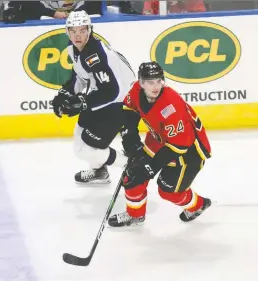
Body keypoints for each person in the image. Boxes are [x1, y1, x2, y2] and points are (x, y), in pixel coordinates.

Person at [108, 61, 212, 227]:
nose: (156, 86)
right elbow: (128, 108)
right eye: (150, 82)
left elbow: (179, 145)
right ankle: (135, 215)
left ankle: (199, 205)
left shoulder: (171, 105)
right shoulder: (136, 90)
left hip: (188, 152)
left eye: (159, 81)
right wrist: (129, 135)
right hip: (159, 139)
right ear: (141, 83)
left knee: (168, 192)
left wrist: (150, 168)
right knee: (133, 174)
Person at [52, 10, 136, 184]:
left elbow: (111, 90)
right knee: (80, 134)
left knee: (87, 148)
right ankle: (99, 171)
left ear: (89, 30)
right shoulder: (73, 48)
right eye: (73, 31)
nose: (78, 35)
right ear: (67, 31)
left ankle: (131, 166)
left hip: (121, 102)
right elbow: (79, 76)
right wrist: (65, 93)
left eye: (82, 30)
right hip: (103, 97)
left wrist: (83, 103)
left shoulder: (94, 54)